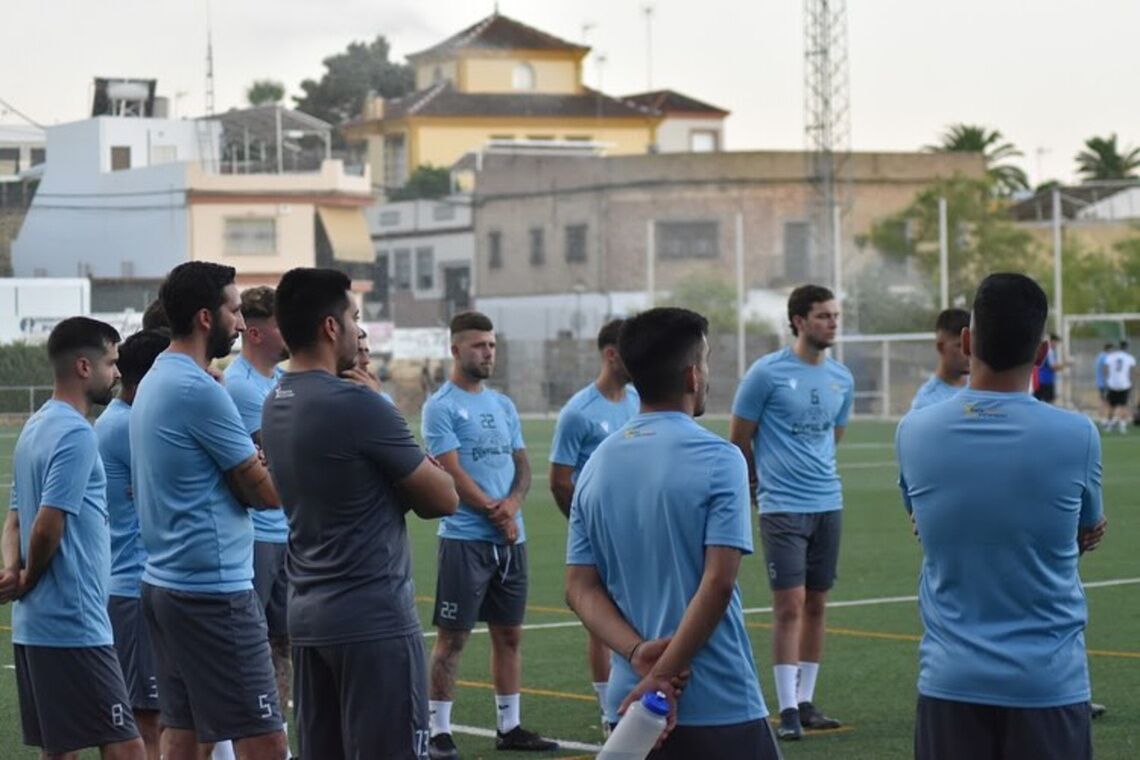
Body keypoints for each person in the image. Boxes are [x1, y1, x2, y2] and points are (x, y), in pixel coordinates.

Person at [896, 273, 1106, 760]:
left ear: (967, 342)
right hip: (1049, 682)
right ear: (1043, 353)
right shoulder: (1078, 434)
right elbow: (1087, 530)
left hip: (950, 683)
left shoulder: (914, 432)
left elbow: (919, 521)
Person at [566, 307, 781, 759]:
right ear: (691, 376)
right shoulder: (721, 459)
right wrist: (664, 675)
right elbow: (719, 581)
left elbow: (579, 588)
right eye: (704, 361)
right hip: (716, 698)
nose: (707, 373)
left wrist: (640, 652)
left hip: (632, 707)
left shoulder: (596, 465)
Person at [261, 267, 458, 759]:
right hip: (371, 618)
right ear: (331, 327)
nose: (357, 330)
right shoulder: (358, 403)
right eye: (353, 317)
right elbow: (443, 500)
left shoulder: (275, 400)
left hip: (309, 614)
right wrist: (385, 414)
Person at [131, 262, 287, 760]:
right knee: (265, 738)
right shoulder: (201, 390)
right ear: (205, 317)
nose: (241, 323)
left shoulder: (159, 375)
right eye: (234, 310)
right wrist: (277, 461)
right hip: (212, 591)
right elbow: (265, 494)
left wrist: (248, 467)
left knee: (186, 731)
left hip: (166, 582)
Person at [0, 317, 146, 759]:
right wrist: (27, 576)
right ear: (84, 367)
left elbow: (14, 520)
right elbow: (45, 523)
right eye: (111, 362)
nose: (117, 372)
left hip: (34, 627)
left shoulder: (35, 426)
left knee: (59, 749)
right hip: (75, 622)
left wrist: (12, 570)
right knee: (127, 746)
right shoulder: (77, 433)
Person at [422, 311, 558, 758]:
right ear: (456, 349)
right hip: (465, 538)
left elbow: (521, 462)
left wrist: (513, 505)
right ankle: (438, 729)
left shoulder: (503, 405)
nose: (488, 353)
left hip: (509, 540)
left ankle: (510, 725)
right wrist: (494, 513)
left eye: (493, 345)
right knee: (453, 637)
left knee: (510, 634)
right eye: (479, 345)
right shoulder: (440, 405)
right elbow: (452, 471)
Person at [728, 284, 854, 741]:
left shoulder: (842, 378)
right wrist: (758, 485)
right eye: (823, 316)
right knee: (789, 605)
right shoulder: (767, 374)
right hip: (782, 506)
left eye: (835, 315)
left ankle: (806, 699)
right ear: (798, 321)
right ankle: (786, 710)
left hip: (828, 503)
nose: (832, 323)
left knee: (817, 603)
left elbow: (832, 436)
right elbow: (739, 439)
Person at [549, 318, 640, 732]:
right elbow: (560, 479)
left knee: (638, 612)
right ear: (611, 354)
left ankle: (637, 694)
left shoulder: (638, 400)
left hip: (638, 528)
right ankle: (608, 712)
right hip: (601, 533)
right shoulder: (578, 412)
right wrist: (588, 526)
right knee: (602, 620)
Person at [96, 328, 171, 760]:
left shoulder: (126, 421)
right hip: (133, 587)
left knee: (160, 718)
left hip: (139, 585)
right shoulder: (126, 426)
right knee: (147, 722)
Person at [222, 285, 292, 741]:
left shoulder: (281, 380)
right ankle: (243, 739)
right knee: (250, 646)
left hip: (289, 532)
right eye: (280, 323)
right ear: (256, 330)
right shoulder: (240, 386)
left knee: (285, 642)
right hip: (258, 535)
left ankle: (277, 735)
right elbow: (274, 457)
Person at [911, 308, 971, 411]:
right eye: (959, 345)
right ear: (941, 347)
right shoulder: (926, 402)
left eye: (971, 344)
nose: (968, 351)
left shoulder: (981, 385)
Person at [344, 327, 394, 405]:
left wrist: (376, 398)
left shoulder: (383, 398)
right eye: (359, 351)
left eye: (367, 351)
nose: (366, 361)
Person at [1103, 340, 1136, 434]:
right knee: (1123, 405)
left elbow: (1105, 368)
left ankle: (1109, 425)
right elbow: (1132, 371)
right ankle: (1122, 425)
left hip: (1112, 384)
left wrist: (1108, 379)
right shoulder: (1130, 358)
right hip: (1124, 384)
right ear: (1127, 348)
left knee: (1111, 405)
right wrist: (1132, 382)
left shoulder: (1111, 356)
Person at [1033, 333, 1064, 404]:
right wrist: (1064, 365)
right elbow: (1052, 367)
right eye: (1056, 342)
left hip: (1041, 380)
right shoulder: (1049, 351)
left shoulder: (1047, 351)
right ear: (1052, 341)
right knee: (1048, 402)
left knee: (1038, 401)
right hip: (1046, 381)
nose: (1056, 345)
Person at [1095, 343, 1113, 426]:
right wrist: (1108, 381)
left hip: (1100, 382)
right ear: (1109, 349)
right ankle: (1104, 419)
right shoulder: (1106, 357)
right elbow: (1105, 370)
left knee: (1103, 401)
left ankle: (1103, 419)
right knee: (1105, 402)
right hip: (1104, 383)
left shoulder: (1100, 356)